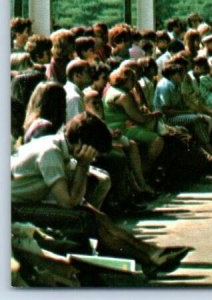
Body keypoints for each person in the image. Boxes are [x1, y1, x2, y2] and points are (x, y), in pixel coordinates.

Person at [11, 112, 193, 279]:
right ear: (82, 142)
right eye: (95, 150)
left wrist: (96, 211)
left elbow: (73, 197)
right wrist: (83, 165)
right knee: (85, 218)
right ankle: (148, 259)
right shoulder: (50, 153)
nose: (95, 156)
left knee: (99, 216)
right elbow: (68, 202)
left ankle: (152, 254)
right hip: (14, 208)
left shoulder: (59, 146)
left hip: (27, 201)